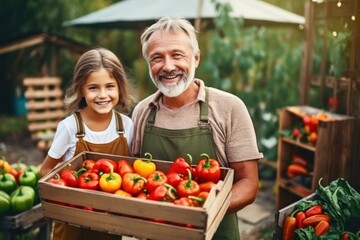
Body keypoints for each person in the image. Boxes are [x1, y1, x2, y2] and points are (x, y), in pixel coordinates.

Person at [131, 17, 263, 240]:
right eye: (157, 58)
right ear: (149, 64)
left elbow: (249, 183)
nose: (168, 66)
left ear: (196, 58)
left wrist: (201, 211)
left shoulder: (229, 107)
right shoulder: (142, 112)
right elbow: (136, 178)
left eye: (177, 55)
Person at [40, 47, 136, 240]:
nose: (102, 95)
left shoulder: (125, 125)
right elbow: (46, 170)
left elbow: (128, 171)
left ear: (120, 88)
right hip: (72, 224)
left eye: (110, 86)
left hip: (109, 224)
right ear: (81, 90)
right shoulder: (70, 127)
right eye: (93, 87)